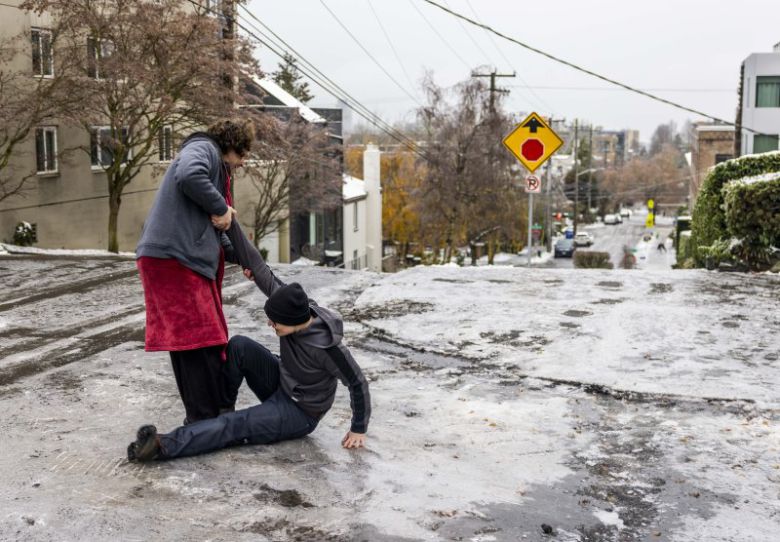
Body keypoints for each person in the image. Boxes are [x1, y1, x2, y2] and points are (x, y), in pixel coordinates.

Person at [127, 223, 371, 461]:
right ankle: (221, 409)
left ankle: (161, 446)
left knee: (234, 426)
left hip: (299, 412)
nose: (270, 325)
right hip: (281, 381)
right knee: (239, 346)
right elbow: (258, 265)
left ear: (292, 320)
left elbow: (357, 383)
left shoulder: (329, 347)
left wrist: (358, 427)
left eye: (275, 323)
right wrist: (230, 223)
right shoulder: (291, 303)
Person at [135, 118, 255, 424]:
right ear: (231, 146)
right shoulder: (204, 148)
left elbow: (217, 232)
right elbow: (188, 174)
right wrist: (221, 208)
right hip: (173, 258)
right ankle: (204, 419)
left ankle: (208, 416)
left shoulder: (216, 165)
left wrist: (244, 259)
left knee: (204, 340)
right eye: (242, 155)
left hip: (177, 258)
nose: (243, 162)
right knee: (198, 339)